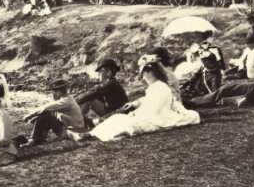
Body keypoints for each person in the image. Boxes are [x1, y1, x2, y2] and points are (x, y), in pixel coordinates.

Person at [69, 62, 200, 143]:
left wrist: (136, 113)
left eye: (144, 74)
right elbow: (149, 100)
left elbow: (155, 107)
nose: (143, 78)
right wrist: (135, 104)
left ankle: (86, 132)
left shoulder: (160, 87)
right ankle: (87, 133)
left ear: (149, 73)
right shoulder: (157, 87)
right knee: (118, 119)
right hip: (147, 114)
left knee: (123, 121)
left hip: (154, 118)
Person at [25, 79, 85, 144]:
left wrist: (28, 116)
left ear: (59, 91)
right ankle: (39, 138)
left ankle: (34, 139)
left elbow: (46, 108)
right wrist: (36, 118)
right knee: (48, 114)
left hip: (73, 131)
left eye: (53, 91)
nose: (53, 94)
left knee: (46, 114)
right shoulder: (68, 98)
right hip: (76, 128)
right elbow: (52, 110)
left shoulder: (65, 101)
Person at [76, 59, 129, 125]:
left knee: (89, 101)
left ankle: (80, 122)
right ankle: (82, 122)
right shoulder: (111, 82)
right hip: (115, 109)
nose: (99, 74)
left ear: (109, 72)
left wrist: (75, 101)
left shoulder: (110, 83)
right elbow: (95, 92)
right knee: (89, 100)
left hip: (117, 111)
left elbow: (94, 93)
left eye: (101, 71)